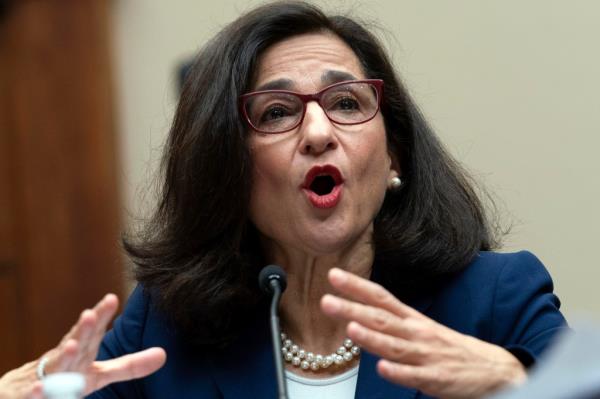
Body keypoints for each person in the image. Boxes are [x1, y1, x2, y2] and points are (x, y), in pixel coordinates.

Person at [1, 1, 568, 398]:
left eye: (346, 103)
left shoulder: (497, 299)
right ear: (228, 168)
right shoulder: (164, 327)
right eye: (277, 112)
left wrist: (515, 384)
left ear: (394, 155)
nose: (319, 131)